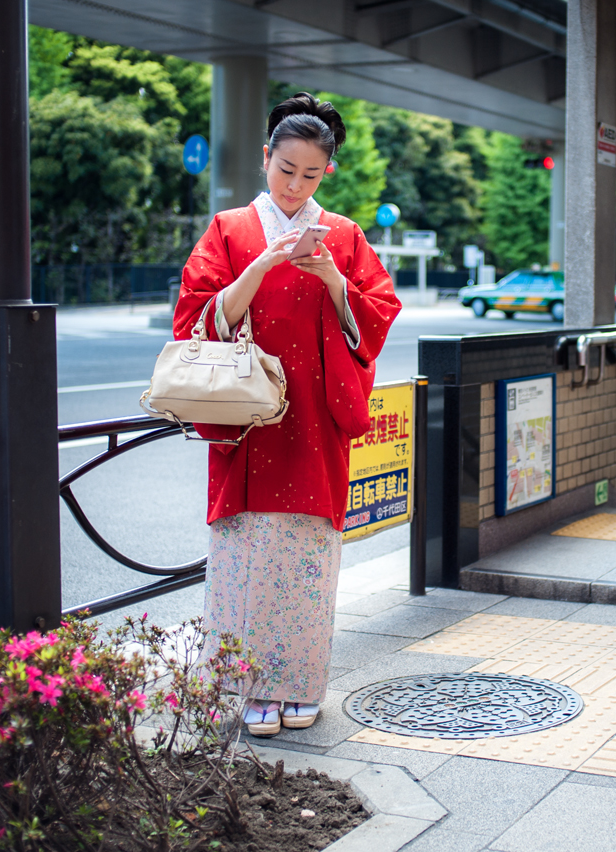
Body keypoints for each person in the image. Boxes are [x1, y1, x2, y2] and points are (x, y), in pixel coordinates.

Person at [173, 93, 401, 737]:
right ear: (265, 157)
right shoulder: (229, 229)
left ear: (326, 171)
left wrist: (333, 278)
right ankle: (247, 685)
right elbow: (195, 319)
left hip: (312, 421)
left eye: (310, 174)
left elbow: (374, 318)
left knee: (307, 554)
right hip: (246, 419)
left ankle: (299, 684)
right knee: (244, 552)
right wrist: (264, 262)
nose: (296, 184)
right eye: (285, 169)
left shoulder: (346, 237)